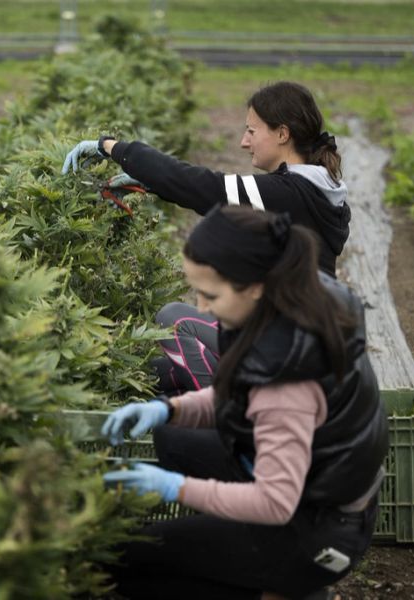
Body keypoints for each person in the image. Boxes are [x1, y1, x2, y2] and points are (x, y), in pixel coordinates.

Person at [100, 206, 388, 599]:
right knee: (172, 434)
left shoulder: (286, 381)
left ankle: (279, 586)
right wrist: (170, 409)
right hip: (316, 489)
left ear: (253, 285)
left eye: (211, 294)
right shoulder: (294, 293)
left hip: (316, 534)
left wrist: (175, 487)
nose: (200, 307)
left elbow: (274, 502)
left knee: (127, 560)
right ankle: (250, 562)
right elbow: (241, 390)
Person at [63, 81, 350, 396]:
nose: (243, 142)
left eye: (252, 132)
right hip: (293, 340)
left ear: (282, 134)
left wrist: (112, 147)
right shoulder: (312, 191)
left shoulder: (290, 193)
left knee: (174, 319)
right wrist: (151, 183)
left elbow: (205, 188)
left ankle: (232, 415)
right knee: (156, 375)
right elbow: (203, 192)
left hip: (291, 352)